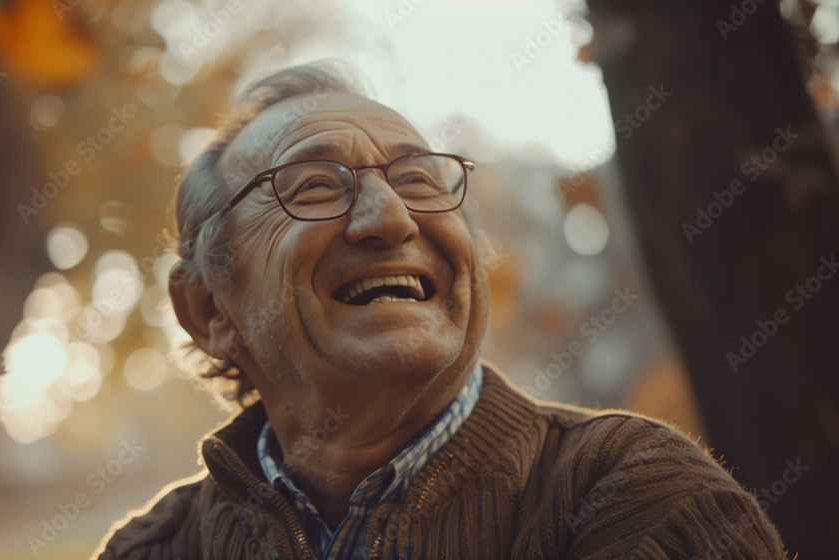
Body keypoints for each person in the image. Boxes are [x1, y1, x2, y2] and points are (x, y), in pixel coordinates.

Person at [94, 61, 787, 559]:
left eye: (420, 179)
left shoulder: (632, 498)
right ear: (210, 309)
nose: (390, 218)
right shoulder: (152, 550)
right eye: (311, 186)